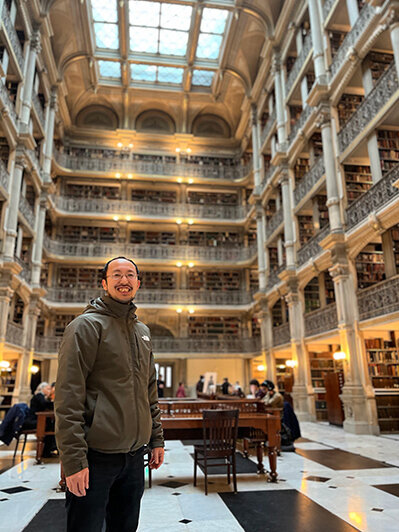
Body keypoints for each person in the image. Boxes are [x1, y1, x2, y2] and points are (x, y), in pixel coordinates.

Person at [55, 256, 164, 532]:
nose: (124, 280)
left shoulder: (143, 332)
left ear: (138, 283)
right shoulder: (84, 327)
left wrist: (156, 439)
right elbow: (68, 399)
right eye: (116, 275)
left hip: (134, 458)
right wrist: (74, 461)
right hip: (95, 457)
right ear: (104, 283)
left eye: (130, 275)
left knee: (126, 528)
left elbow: (149, 390)